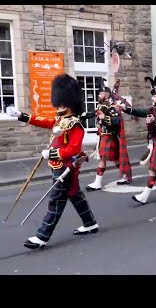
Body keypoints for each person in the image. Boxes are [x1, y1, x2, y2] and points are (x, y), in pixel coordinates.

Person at [7, 74, 98, 249]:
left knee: (56, 200)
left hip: (66, 168)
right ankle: (90, 223)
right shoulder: (61, 120)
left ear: (69, 102)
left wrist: (52, 153)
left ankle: (42, 236)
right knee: (74, 195)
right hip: (58, 166)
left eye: (62, 102)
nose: (59, 105)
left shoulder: (75, 124)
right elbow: (44, 121)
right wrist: (21, 116)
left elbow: (73, 149)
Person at [82, 79, 132, 191]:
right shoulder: (100, 106)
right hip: (103, 136)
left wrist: (105, 118)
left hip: (109, 136)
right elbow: (94, 114)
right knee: (115, 159)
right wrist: (82, 116)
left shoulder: (112, 107)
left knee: (103, 159)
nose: (99, 95)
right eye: (99, 93)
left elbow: (116, 122)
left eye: (101, 93)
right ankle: (125, 176)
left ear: (107, 94)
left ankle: (98, 182)